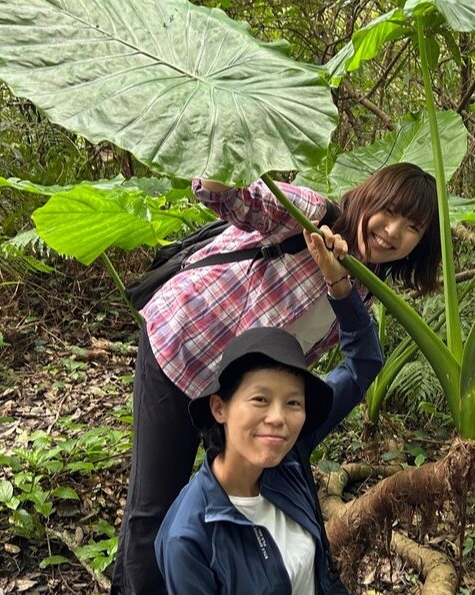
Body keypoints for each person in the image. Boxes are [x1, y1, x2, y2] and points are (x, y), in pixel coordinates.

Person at [112, 163, 440, 595]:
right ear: (371, 196)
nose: (393, 231)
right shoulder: (309, 214)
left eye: (412, 227)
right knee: (155, 508)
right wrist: (227, 148)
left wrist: (336, 281)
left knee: (206, 507)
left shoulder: (360, 286)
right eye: (390, 211)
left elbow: (365, 358)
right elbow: (226, 197)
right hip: (182, 349)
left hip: (239, 395)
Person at [154, 226, 383, 594]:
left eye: (293, 402)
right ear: (220, 407)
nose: (278, 418)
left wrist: (339, 283)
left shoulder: (287, 457)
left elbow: (364, 362)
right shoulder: (191, 537)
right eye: (260, 399)